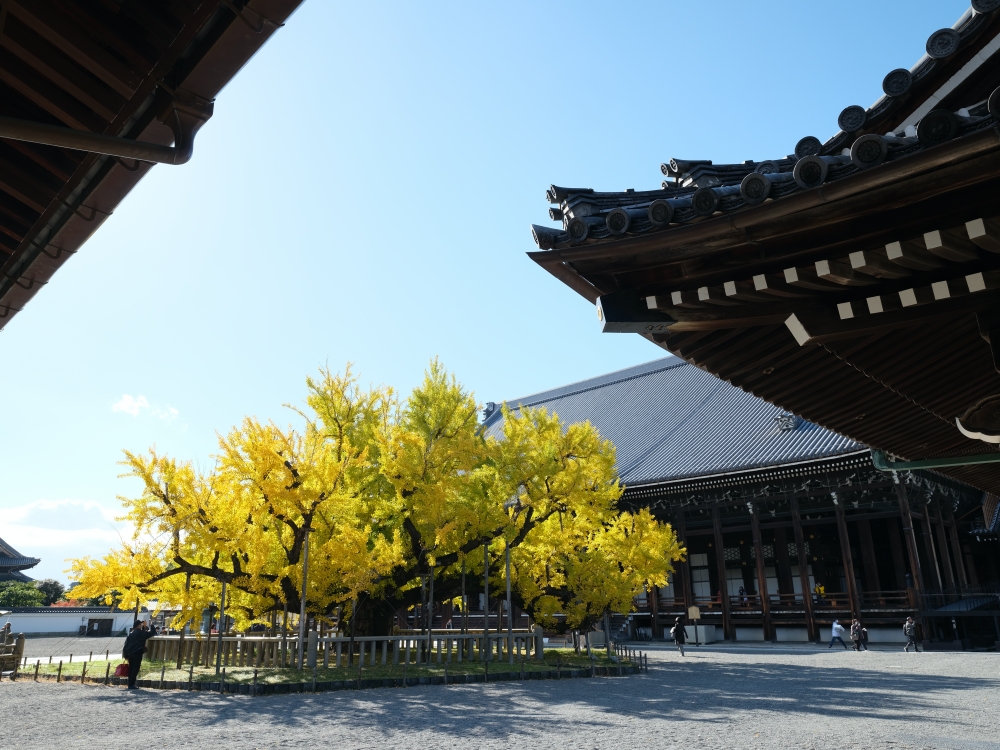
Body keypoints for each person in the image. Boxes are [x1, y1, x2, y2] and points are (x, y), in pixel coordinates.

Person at [122, 618, 158, 689]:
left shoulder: (131, 634)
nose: (142, 625)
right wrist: (151, 624)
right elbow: (152, 632)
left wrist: (125, 655)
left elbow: (126, 645)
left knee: (131, 668)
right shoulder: (142, 633)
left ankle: (130, 684)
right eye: (141, 624)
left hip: (130, 653)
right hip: (137, 653)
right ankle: (131, 684)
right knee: (136, 668)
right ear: (138, 625)